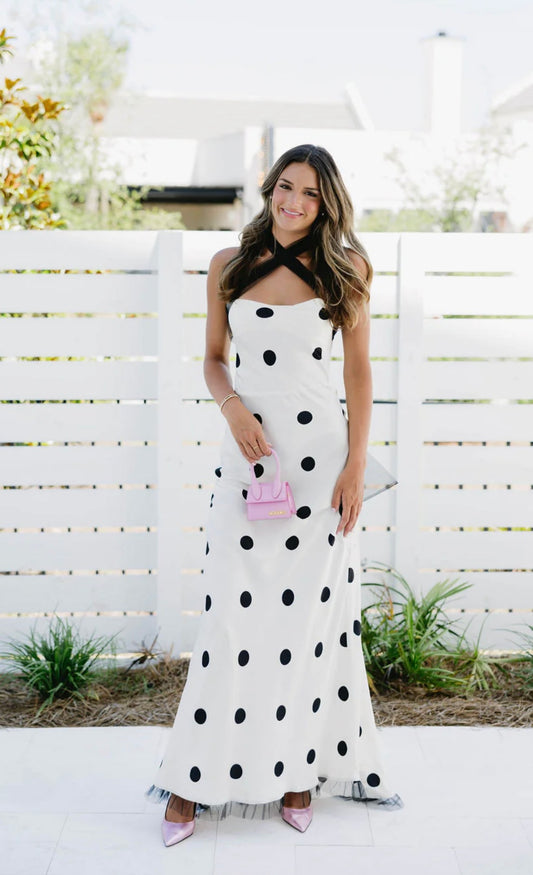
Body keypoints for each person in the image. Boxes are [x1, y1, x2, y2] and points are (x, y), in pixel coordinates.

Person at [145, 143, 402, 846]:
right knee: (229, 622)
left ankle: (298, 775)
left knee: (309, 626)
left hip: (322, 467)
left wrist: (355, 465)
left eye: (310, 193)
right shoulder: (229, 265)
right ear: (269, 188)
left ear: (327, 203)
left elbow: (357, 373)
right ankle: (190, 783)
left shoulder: (347, 268)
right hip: (249, 461)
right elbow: (212, 359)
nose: (293, 202)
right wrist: (232, 410)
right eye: (285, 186)